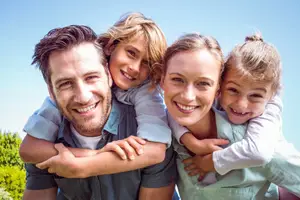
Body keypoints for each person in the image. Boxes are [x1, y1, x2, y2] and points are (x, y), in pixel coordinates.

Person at [21, 25, 177, 200]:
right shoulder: (48, 133)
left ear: (107, 75)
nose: (83, 97)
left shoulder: (148, 128)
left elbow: (155, 152)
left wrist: (82, 167)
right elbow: (28, 151)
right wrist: (93, 155)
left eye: (91, 77)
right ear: (51, 91)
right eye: (65, 83)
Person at [161, 33, 300, 199]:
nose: (188, 96)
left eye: (203, 83)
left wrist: (212, 161)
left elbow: (263, 154)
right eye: (177, 79)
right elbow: (169, 113)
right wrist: (189, 140)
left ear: (216, 89)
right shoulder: (165, 131)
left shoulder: (259, 141)